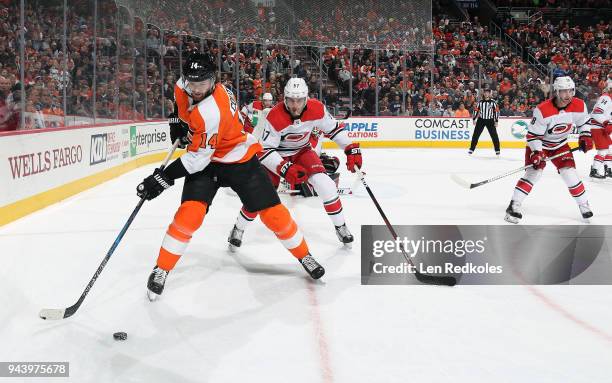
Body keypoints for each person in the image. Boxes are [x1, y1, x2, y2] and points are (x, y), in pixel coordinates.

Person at [137, 53, 326, 301]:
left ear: (214, 81)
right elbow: (180, 107)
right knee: (188, 215)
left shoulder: (212, 110)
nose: (196, 89)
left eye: (202, 85)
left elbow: (195, 160)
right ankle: (162, 268)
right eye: (192, 83)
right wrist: (178, 124)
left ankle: (304, 255)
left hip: (239, 159)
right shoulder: (184, 86)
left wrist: (162, 179)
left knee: (275, 215)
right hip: (208, 161)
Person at [227, 77, 362, 251]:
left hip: (302, 152)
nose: (295, 105)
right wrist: (285, 167)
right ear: (285, 98)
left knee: (326, 185)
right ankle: (238, 228)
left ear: (306, 98)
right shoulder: (275, 115)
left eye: (299, 100)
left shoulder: (317, 108)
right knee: (259, 196)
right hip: (277, 155)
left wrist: (351, 148)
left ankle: (340, 226)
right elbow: (265, 150)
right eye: (291, 100)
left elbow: (334, 129)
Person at [504, 76, 593, 224]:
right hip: (540, 145)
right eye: (564, 91)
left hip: (560, 145)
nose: (568, 95)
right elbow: (532, 136)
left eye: (571, 91)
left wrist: (585, 136)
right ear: (556, 92)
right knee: (534, 173)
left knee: (570, 174)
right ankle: (514, 205)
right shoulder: (542, 110)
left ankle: (584, 205)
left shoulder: (579, 105)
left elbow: (584, 122)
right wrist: (537, 153)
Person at [588, 86, 612, 179]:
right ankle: (594, 170)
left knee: (610, 148)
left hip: (601, 127)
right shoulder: (606, 98)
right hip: (597, 127)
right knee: (603, 150)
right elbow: (596, 113)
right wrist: (607, 123)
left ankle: (608, 170)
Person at [469, 89, 500, 155]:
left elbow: (496, 111)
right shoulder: (480, 102)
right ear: (483, 94)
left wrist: (496, 120)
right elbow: (476, 110)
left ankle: (497, 150)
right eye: (485, 93)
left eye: (487, 93)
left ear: (489, 94)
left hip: (490, 120)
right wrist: (474, 119)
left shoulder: (493, 102)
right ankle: (471, 149)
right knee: (475, 135)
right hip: (481, 120)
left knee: (494, 135)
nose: (486, 94)